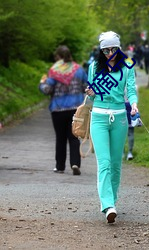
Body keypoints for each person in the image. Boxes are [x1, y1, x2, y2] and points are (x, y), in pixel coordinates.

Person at [85, 31, 138, 223]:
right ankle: (107, 205)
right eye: (105, 50)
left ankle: (112, 201)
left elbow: (131, 89)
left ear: (119, 48)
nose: (109, 53)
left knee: (116, 164)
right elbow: (91, 96)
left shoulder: (128, 66)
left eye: (113, 49)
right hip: (98, 117)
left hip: (120, 118)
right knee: (104, 163)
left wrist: (134, 104)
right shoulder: (94, 67)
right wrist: (90, 92)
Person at [39, 45, 88, 175]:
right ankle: (75, 163)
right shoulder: (79, 69)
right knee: (74, 137)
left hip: (58, 109)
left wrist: (42, 83)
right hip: (75, 109)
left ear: (58, 57)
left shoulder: (54, 71)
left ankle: (60, 166)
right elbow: (87, 86)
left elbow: (47, 90)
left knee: (60, 138)